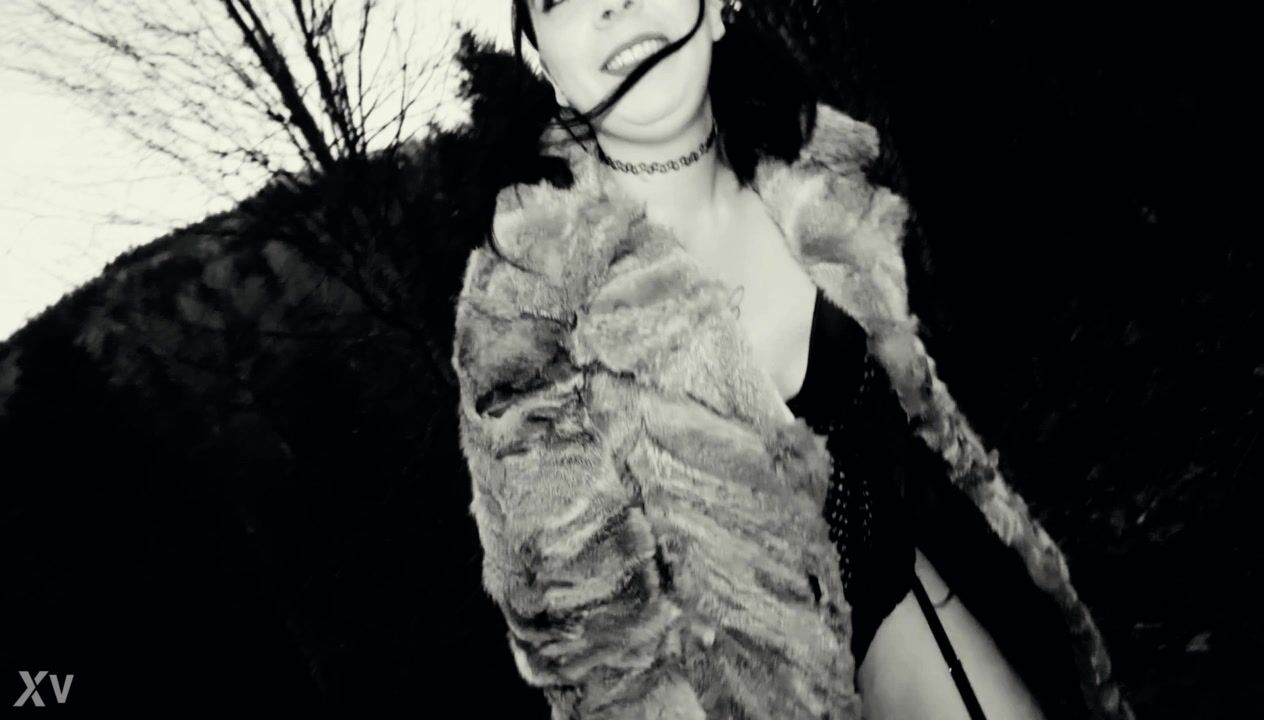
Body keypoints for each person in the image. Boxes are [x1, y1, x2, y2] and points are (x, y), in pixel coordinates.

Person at [451, 1, 1129, 718]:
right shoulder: (527, 308)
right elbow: (595, 655)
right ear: (552, 72)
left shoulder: (817, 180)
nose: (612, 2)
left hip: (914, 600)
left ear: (714, 11)